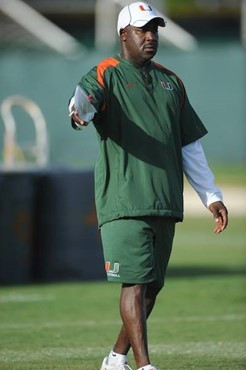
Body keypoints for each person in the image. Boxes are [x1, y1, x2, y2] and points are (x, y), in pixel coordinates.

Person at [68, 2, 228, 369]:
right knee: (135, 287)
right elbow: (82, 105)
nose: (151, 36)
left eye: (154, 29)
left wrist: (211, 195)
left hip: (165, 201)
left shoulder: (172, 81)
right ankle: (144, 365)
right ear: (123, 34)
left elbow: (189, 142)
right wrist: (78, 113)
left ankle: (114, 359)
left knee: (151, 288)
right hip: (124, 200)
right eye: (142, 29)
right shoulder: (105, 72)